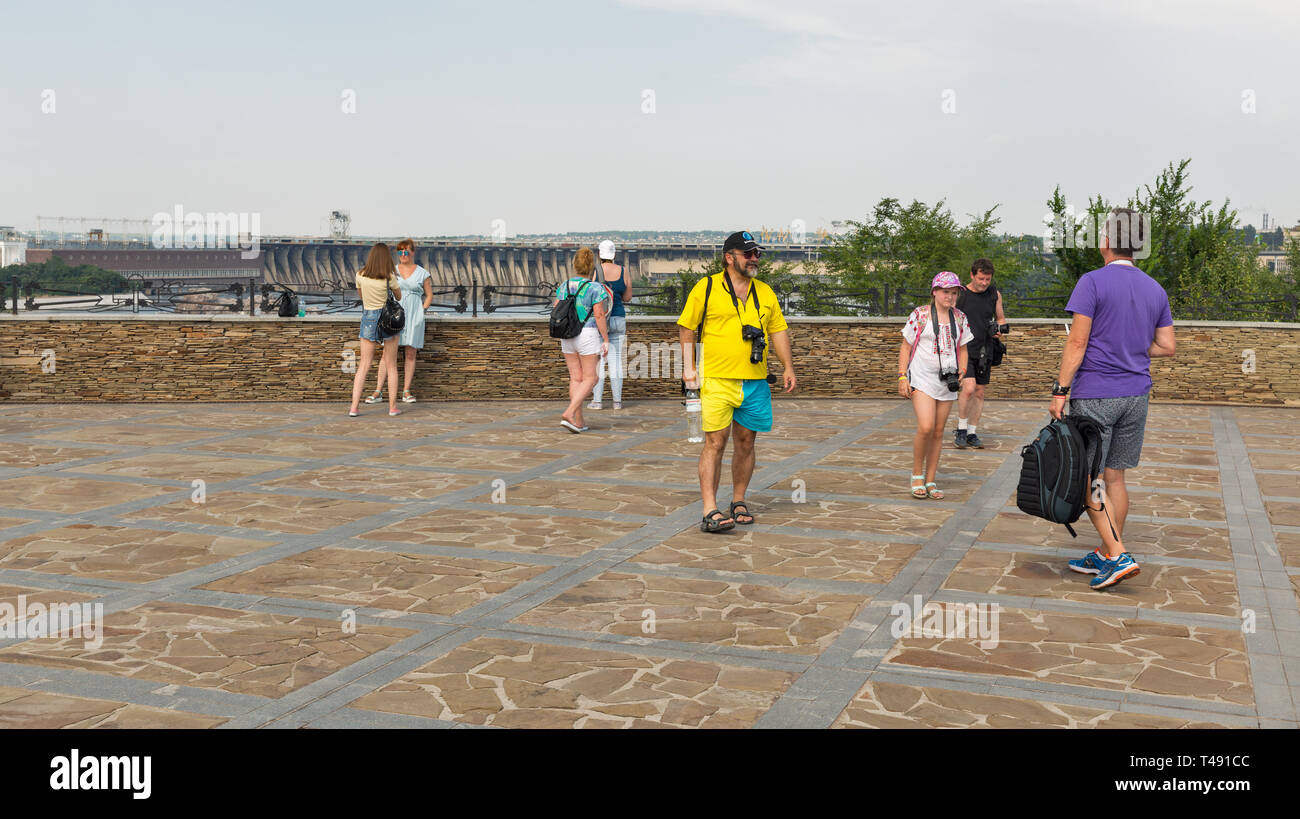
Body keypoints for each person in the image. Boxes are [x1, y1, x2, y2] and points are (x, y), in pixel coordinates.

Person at [1054, 207, 1175, 590]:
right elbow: (1167, 346)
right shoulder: (1154, 288)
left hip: (1096, 394)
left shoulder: (1091, 283)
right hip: (1136, 394)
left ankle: (1118, 554)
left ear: (1105, 241)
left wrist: (1060, 390)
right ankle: (1107, 553)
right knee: (1116, 478)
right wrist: (1133, 348)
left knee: (1089, 480)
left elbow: (1077, 341)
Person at [678, 230, 796, 533]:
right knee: (715, 442)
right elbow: (686, 328)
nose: (754, 258)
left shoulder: (765, 292)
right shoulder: (706, 288)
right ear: (729, 257)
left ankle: (739, 500)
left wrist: (788, 367)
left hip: (755, 382)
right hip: (716, 378)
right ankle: (709, 509)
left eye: (757, 253)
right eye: (748, 253)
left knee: (746, 442)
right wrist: (688, 368)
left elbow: (778, 331)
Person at [898, 272, 973, 500]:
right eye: (945, 292)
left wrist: (962, 370)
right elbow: (905, 347)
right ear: (934, 292)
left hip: (947, 381)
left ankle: (930, 479)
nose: (950, 297)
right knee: (926, 426)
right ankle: (916, 475)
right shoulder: (920, 315)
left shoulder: (959, 318)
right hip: (921, 377)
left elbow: (963, 348)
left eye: (953, 292)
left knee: (939, 431)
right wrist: (902, 376)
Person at [366, 239, 433, 404]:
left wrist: (422, 311)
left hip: (414, 315)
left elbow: (429, 295)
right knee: (387, 355)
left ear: (413, 252)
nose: (403, 255)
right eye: (400, 252)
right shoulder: (392, 271)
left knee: (410, 353)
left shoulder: (423, 273)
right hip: (394, 315)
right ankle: (378, 391)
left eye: (406, 251)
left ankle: (406, 391)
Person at [553, 247, 610, 433]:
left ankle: (578, 421)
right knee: (591, 377)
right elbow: (599, 315)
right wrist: (606, 339)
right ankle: (569, 412)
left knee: (576, 379)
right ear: (591, 267)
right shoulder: (595, 288)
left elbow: (556, 310)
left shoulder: (564, 285)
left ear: (575, 265)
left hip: (567, 335)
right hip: (588, 334)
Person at [954, 258, 1007, 449]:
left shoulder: (994, 294)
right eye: (981, 279)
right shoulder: (961, 295)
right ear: (972, 275)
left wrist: (999, 328)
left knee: (980, 392)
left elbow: (1000, 318)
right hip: (964, 349)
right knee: (968, 388)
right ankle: (960, 430)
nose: (985, 283)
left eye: (988, 279)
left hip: (986, 349)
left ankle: (972, 432)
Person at [349, 243, 403, 417]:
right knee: (391, 365)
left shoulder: (360, 275)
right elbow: (399, 296)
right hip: (388, 320)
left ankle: (354, 407)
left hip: (369, 319)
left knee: (364, 365)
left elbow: (361, 296)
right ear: (386, 258)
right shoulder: (389, 276)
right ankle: (392, 407)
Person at [588, 239, 632, 410]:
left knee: (599, 362)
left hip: (601, 321)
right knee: (616, 362)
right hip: (619, 319)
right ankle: (617, 402)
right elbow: (628, 297)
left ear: (600, 254)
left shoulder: (597, 271)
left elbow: (591, 296)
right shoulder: (624, 271)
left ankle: (597, 401)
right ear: (613, 255)